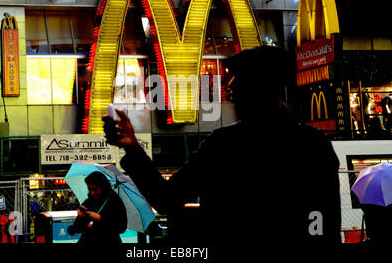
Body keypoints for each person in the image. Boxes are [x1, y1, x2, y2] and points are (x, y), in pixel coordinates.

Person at [103, 46, 341, 252]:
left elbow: (166, 199)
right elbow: (322, 222)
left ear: (260, 85)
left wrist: (133, 150)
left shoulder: (224, 145)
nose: (231, 89)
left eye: (239, 80)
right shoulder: (315, 145)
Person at [68, 171, 127, 246]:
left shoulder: (115, 201)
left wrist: (100, 219)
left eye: (95, 189)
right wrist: (80, 217)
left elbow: (121, 227)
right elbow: (78, 229)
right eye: (89, 189)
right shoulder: (88, 202)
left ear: (103, 187)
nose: (92, 192)